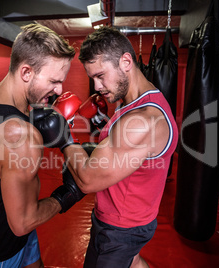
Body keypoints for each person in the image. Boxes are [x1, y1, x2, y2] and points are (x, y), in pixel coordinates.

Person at [36, 26, 179, 267]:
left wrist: (64, 139)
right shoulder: (138, 100)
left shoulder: (141, 120)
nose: (97, 86)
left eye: (100, 75)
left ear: (125, 61)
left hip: (120, 228)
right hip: (135, 219)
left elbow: (88, 180)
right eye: (92, 77)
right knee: (132, 261)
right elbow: (121, 152)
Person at [0, 23, 84, 268]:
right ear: (26, 72)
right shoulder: (20, 136)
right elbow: (22, 222)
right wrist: (66, 196)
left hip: (7, 228)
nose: (59, 90)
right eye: (53, 81)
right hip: (0, 247)